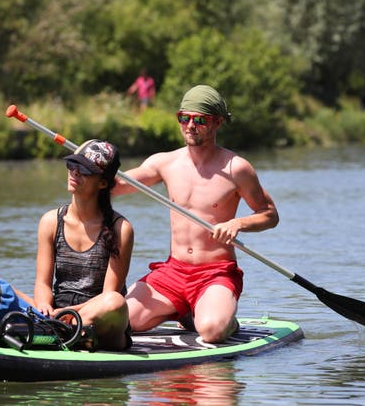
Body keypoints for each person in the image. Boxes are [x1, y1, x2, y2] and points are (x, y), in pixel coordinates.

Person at [112, 85, 279, 343]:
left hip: (216, 273)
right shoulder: (165, 163)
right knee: (120, 322)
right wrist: (91, 167)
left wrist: (238, 223)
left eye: (200, 120)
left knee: (212, 331)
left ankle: (223, 319)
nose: (190, 125)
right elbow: (116, 186)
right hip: (173, 272)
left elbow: (269, 214)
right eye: (184, 117)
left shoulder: (237, 168)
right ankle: (184, 309)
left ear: (218, 123)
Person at [28, 139, 135, 350]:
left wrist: (69, 315)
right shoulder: (50, 221)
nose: (74, 173)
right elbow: (42, 284)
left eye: (84, 170)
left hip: (102, 322)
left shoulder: (121, 229)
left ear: (103, 183)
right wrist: (43, 306)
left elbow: (108, 295)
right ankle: (56, 328)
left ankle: (58, 330)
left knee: (116, 302)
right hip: (57, 313)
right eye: (72, 165)